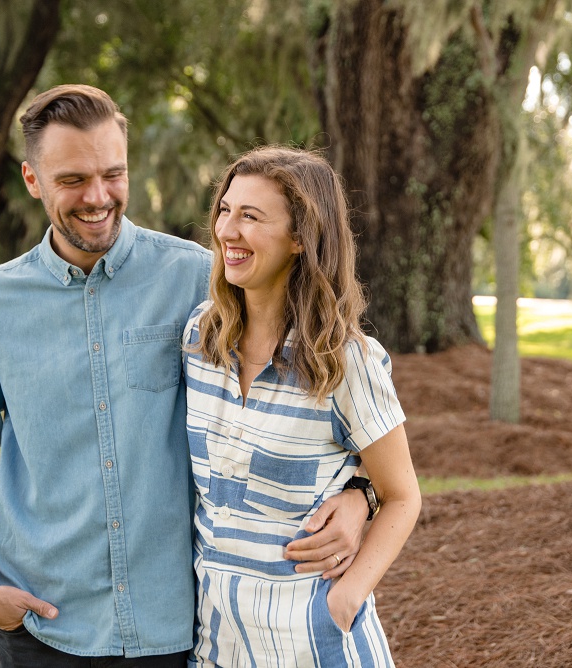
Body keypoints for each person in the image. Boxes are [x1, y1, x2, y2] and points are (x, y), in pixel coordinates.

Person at [0, 85, 374, 667]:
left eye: (112, 174)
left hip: (177, 626)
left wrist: (361, 494)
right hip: (39, 626)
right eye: (72, 180)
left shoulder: (201, 279)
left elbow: (315, 375)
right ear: (32, 179)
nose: (98, 197)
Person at [183, 146, 422, 666]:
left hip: (316, 646)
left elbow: (402, 495)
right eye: (225, 210)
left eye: (251, 216)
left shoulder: (344, 361)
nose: (228, 230)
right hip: (215, 648)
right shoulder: (199, 342)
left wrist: (346, 599)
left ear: (299, 239)